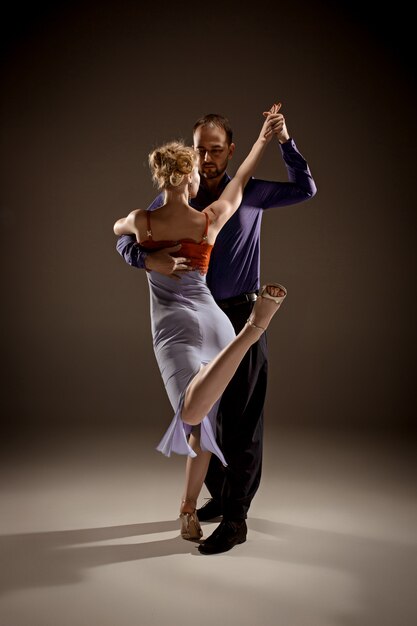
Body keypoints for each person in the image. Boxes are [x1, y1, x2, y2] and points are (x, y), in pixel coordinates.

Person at [116, 103, 317, 555]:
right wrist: (150, 260)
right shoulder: (175, 198)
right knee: (203, 419)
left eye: (215, 151)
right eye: (199, 151)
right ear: (189, 154)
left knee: (242, 423)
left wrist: (283, 141)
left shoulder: (251, 192)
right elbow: (125, 240)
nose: (206, 159)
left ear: (230, 151)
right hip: (195, 318)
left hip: (238, 311)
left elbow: (306, 188)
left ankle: (237, 518)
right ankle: (221, 497)